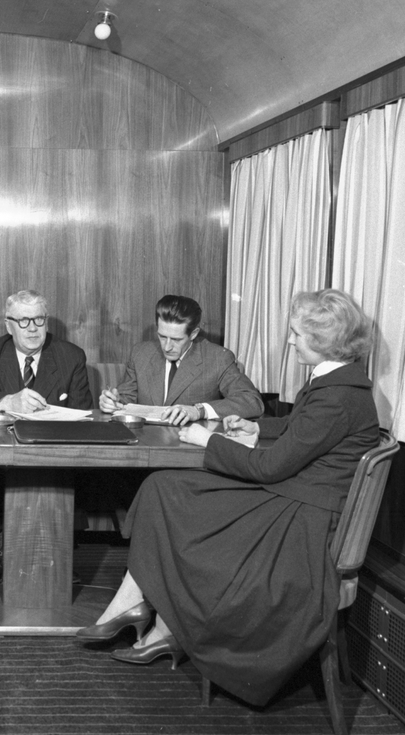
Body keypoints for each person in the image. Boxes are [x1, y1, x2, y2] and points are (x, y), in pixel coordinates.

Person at [77, 289, 380, 707]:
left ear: (323, 341)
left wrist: (209, 439)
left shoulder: (336, 395)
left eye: (297, 334)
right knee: (165, 487)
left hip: (299, 518)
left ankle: (157, 620)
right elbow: (302, 428)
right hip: (297, 497)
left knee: (171, 495)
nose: (290, 340)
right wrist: (257, 429)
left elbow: (270, 468)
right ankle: (143, 610)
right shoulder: (339, 383)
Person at [0, 288, 93, 583]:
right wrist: (5, 400)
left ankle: (54, 553)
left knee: (62, 471)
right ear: (8, 325)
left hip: (51, 451)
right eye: (23, 321)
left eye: (39, 319)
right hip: (0, 450)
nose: (32, 328)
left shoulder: (70, 355)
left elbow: (83, 414)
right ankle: (4, 550)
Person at [98, 294, 263, 424]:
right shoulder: (141, 353)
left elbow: (251, 401)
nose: (167, 347)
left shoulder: (218, 358)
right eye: (162, 336)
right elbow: (126, 398)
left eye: (176, 340)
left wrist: (199, 411)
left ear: (193, 334)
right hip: (144, 442)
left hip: (189, 447)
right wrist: (113, 402)